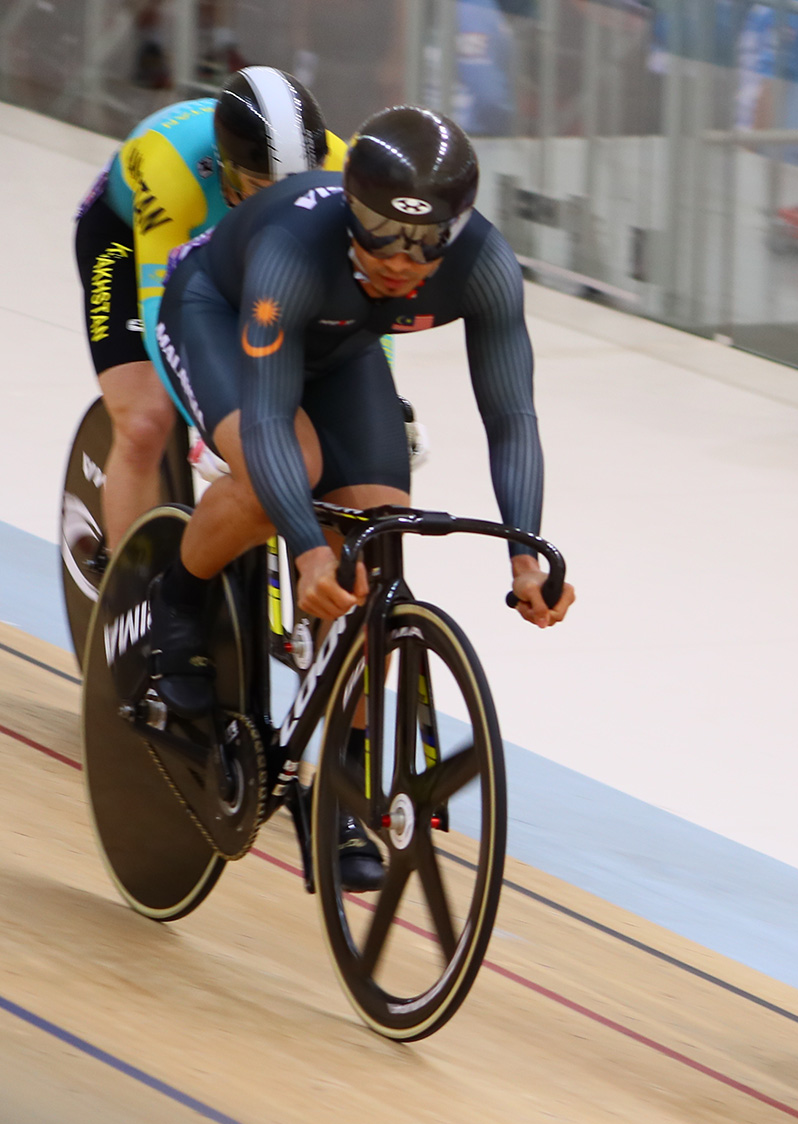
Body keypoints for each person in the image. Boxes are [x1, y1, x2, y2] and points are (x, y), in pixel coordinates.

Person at [146, 105, 576, 887]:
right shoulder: (292, 248)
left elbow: (511, 418)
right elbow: (273, 418)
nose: (401, 261)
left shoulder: (483, 266)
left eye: (425, 243)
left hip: (340, 347)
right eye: (380, 231)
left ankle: (334, 788)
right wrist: (306, 547)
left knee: (377, 542)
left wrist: (524, 555)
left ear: (458, 229)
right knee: (284, 472)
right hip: (216, 307)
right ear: (350, 206)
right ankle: (174, 603)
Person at [74, 67, 344, 553]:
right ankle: (130, 588)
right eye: (262, 185)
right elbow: (162, 322)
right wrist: (204, 427)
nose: (280, 199)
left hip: (250, 253)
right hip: (133, 243)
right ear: (225, 168)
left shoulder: (342, 167)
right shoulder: (173, 168)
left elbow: (363, 295)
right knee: (144, 422)